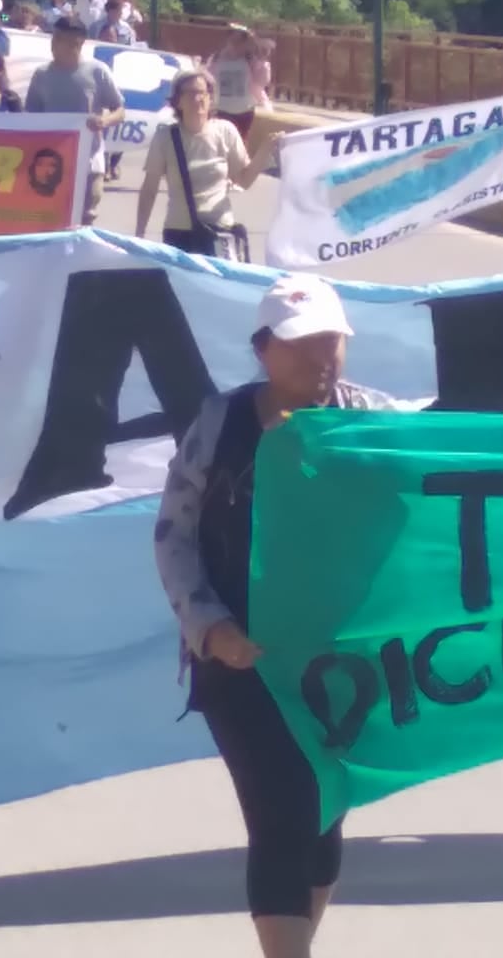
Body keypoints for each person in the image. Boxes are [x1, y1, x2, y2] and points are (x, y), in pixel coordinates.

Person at [155, 274, 399, 958]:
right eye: (300, 344)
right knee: (279, 816)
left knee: (322, 820)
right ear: (264, 350)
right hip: (241, 663)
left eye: (332, 341)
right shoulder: (219, 424)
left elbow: (441, 499)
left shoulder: (379, 424)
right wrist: (211, 627)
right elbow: (173, 536)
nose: (320, 357)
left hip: (342, 666)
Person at [134, 69, 279, 258]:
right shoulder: (165, 137)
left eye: (204, 93)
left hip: (220, 231)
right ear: (178, 101)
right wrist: (140, 233)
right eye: (192, 93)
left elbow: (243, 181)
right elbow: (149, 189)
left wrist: (264, 150)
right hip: (180, 233)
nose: (199, 99)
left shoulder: (225, 131)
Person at [25, 16, 125, 225]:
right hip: (51, 167)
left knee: (85, 221)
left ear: (77, 44)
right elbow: (30, 118)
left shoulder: (97, 72)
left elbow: (120, 111)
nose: (54, 44)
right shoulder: (42, 75)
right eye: (54, 38)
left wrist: (104, 121)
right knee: (50, 222)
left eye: (60, 39)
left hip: (88, 163)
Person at [212, 25, 270, 139]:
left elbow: (262, 81)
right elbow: (209, 79)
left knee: (240, 142)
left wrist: (260, 55)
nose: (235, 43)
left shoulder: (250, 59)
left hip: (244, 111)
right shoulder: (217, 57)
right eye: (232, 39)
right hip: (222, 109)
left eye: (239, 40)